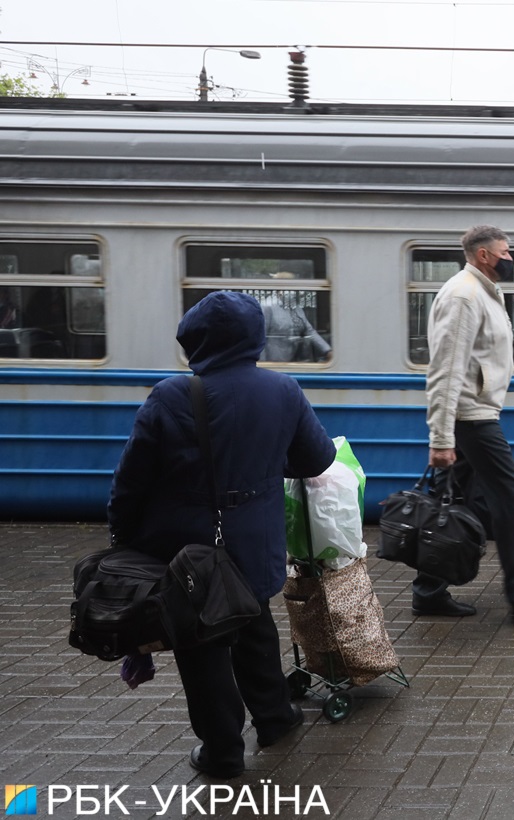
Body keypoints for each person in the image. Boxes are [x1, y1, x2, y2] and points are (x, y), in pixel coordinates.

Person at [107, 291, 337, 777]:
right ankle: (276, 719)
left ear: (196, 339)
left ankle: (224, 753)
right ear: (255, 337)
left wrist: (123, 540)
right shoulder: (283, 390)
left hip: (189, 552)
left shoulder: (171, 395)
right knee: (252, 623)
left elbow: (132, 481)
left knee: (203, 647)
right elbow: (317, 459)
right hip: (255, 542)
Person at [416, 225, 514, 623]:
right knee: (512, 502)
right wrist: (441, 437)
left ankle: (429, 591)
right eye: (505, 251)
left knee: (461, 502)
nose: (510, 258)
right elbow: (446, 371)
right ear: (483, 255)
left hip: (476, 411)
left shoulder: (483, 291)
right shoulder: (465, 296)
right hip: (472, 417)